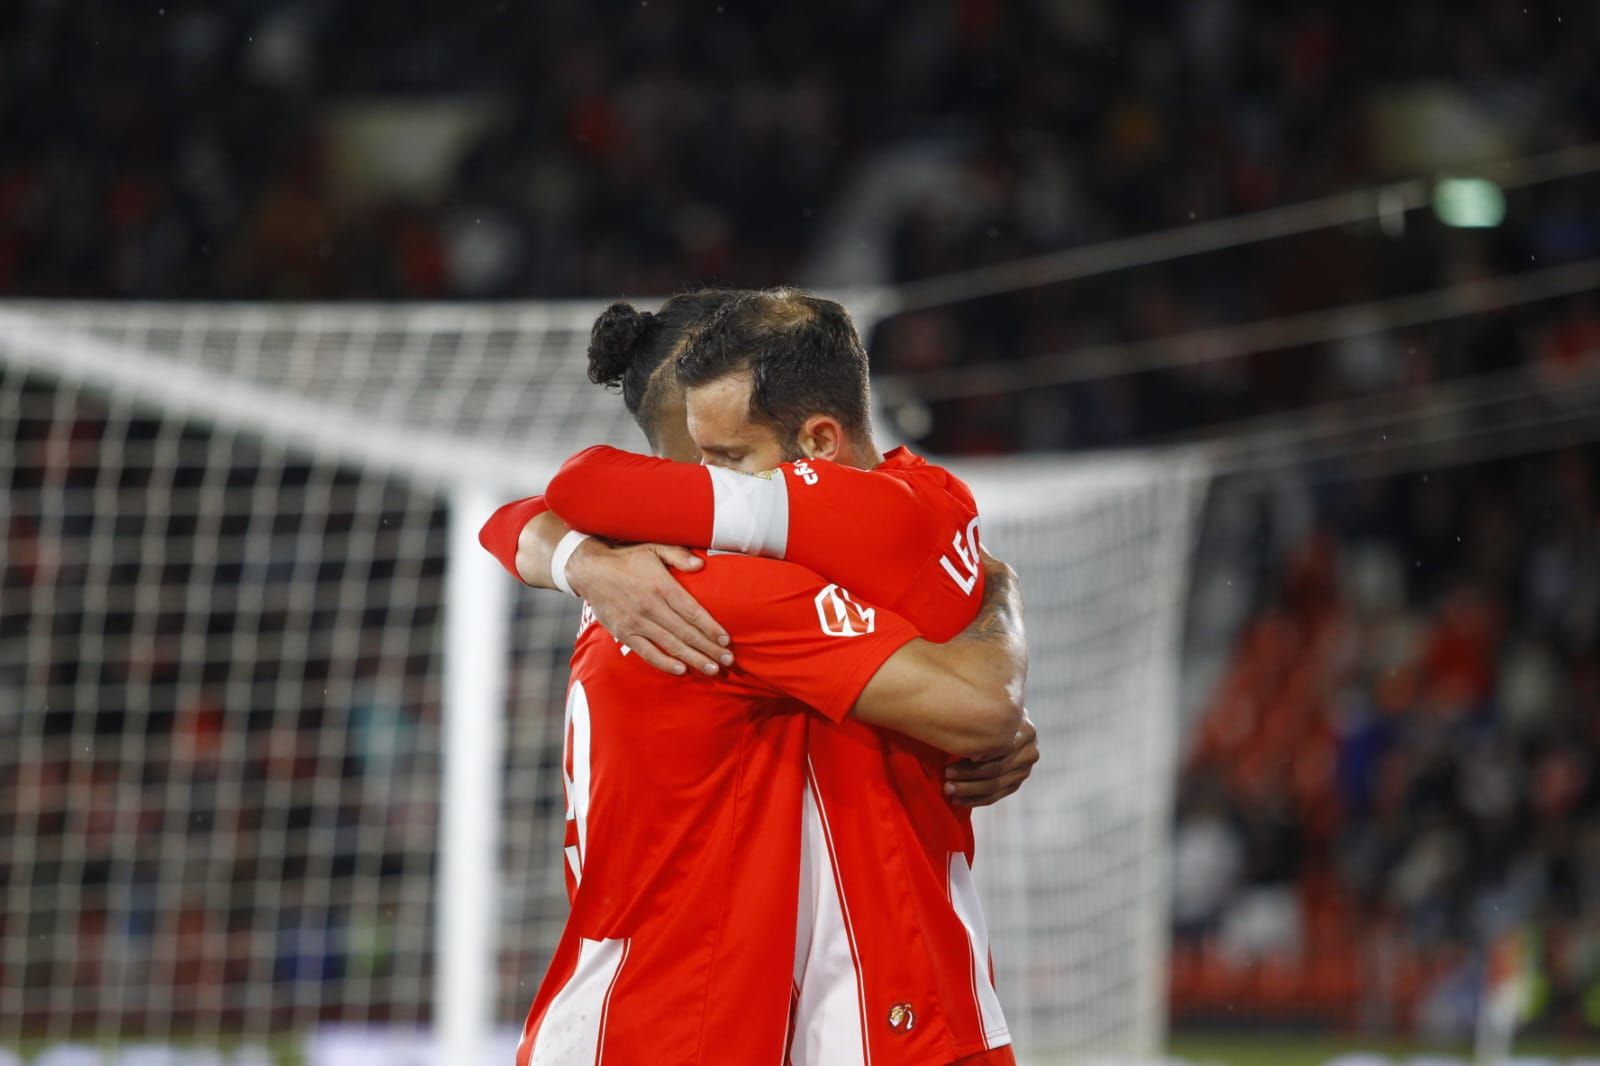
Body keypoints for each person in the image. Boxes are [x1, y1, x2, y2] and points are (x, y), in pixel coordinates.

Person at [483, 289, 1032, 1065]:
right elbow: (980, 708)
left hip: (630, 1007)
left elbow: (520, 516)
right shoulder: (725, 584)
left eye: (730, 458)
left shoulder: (630, 563)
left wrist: (575, 559)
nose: (719, 474)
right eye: (709, 458)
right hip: (716, 1020)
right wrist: (1002, 605)